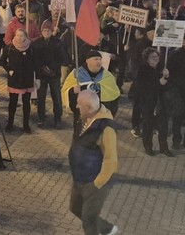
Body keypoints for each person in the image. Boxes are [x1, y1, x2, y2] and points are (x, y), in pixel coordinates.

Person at [67, 90, 119, 235]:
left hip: (94, 182)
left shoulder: (106, 128)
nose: (77, 106)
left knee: (89, 219)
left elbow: (111, 159)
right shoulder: (84, 117)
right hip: (79, 178)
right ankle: (107, 229)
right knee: (75, 208)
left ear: (89, 108)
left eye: (80, 104)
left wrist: (97, 183)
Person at [63, 51, 120, 136]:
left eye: (100, 59)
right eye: (96, 59)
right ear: (87, 61)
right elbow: (65, 90)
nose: (99, 62)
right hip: (81, 115)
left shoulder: (107, 75)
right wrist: (72, 91)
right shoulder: (76, 74)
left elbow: (114, 94)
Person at [136, 48, 172, 156]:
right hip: (147, 101)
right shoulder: (142, 69)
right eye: (152, 57)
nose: (155, 59)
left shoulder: (162, 68)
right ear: (146, 58)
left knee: (163, 125)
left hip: (161, 101)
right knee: (148, 124)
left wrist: (167, 77)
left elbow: (167, 86)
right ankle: (148, 146)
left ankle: (164, 147)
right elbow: (142, 86)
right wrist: (158, 82)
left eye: (157, 57)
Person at [33, 20, 69, 129]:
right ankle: (41, 117)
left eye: (48, 30)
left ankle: (57, 118)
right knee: (41, 97)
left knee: (56, 97)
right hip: (41, 75)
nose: (46, 32)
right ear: (41, 31)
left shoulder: (57, 42)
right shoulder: (37, 43)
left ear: (51, 31)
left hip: (54, 74)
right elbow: (35, 60)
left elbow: (62, 57)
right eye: (44, 30)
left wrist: (52, 68)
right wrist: (43, 68)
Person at [2, 28, 35, 133]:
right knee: (13, 102)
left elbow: (36, 61)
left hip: (27, 79)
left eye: (21, 36)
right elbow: (2, 61)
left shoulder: (31, 48)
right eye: (17, 35)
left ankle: (26, 124)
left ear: (26, 37)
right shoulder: (9, 47)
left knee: (26, 103)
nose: (19, 38)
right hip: (14, 79)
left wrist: (32, 71)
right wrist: (9, 70)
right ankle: (10, 124)